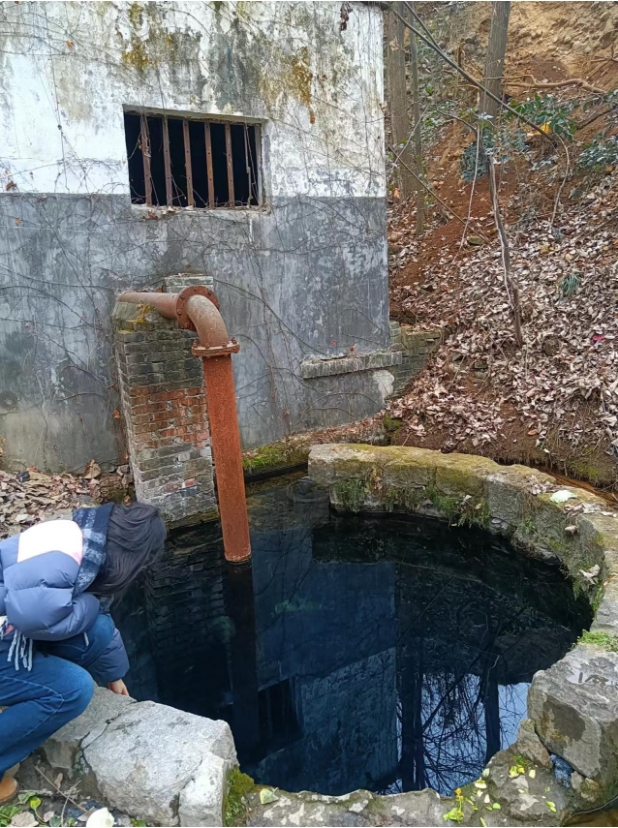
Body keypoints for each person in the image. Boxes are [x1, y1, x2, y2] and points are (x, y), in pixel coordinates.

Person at [0, 502, 166, 803]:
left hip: (10, 627)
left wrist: (114, 675)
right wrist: (91, 602)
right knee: (73, 690)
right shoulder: (67, 564)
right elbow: (35, 619)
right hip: (13, 631)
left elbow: (94, 616)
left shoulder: (81, 538)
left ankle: (22, 694)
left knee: (98, 630)